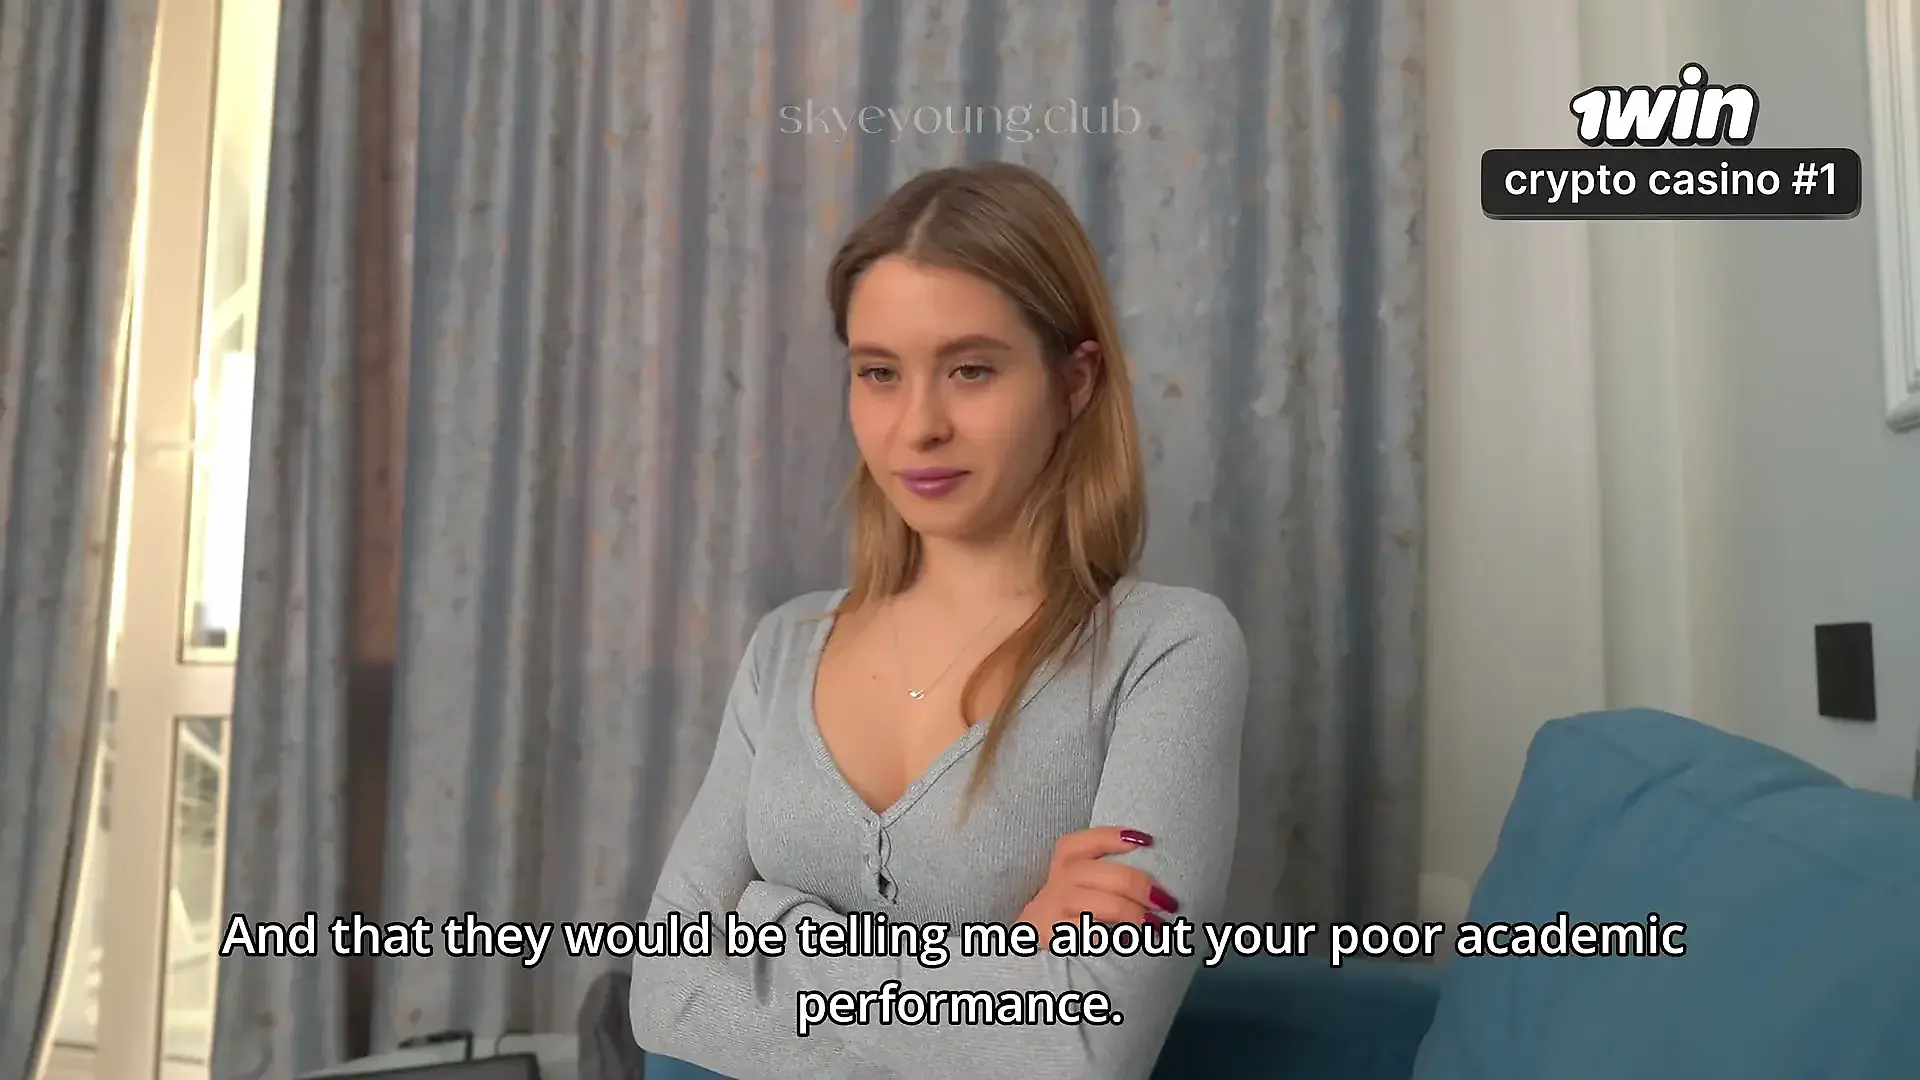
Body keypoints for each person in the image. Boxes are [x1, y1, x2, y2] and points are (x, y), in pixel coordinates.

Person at [628, 161, 1249, 1080]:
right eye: (879, 373)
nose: (918, 425)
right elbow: (662, 992)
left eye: (970, 370)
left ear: (1074, 382)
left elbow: (1079, 1048)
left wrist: (767, 928)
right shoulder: (785, 647)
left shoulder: (1169, 651)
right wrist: (1006, 961)